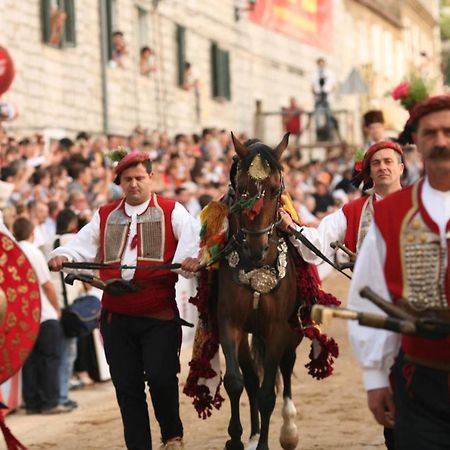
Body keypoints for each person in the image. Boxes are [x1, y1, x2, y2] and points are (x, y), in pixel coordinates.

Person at [48, 150, 200, 450]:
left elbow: (192, 241)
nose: (133, 184)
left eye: (139, 178)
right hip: (116, 318)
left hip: (158, 315)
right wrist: (63, 256)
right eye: (127, 179)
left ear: (151, 178)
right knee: (127, 388)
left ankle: (172, 436)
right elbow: (80, 245)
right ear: (119, 182)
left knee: (161, 378)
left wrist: (188, 260)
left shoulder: (173, 210)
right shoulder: (104, 215)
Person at [347, 94, 450, 449]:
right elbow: (370, 294)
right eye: (431, 133)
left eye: (448, 132)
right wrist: (376, 377)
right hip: (418, 381)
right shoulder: (391, 216)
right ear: (417, 142)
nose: (440, 141)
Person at [12, 217, 67, 414]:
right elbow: (47, 284)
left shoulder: (12, 254)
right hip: (43, 313)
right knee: (50, 358)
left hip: (23, 316)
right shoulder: (34, 252)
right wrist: (57, 308)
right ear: (31, 232)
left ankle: (32, 402)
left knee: (30, 360)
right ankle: (50, 401)